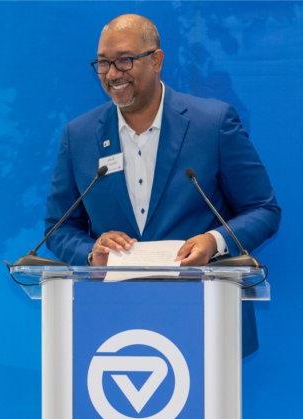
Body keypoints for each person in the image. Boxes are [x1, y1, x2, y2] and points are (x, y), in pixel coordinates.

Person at [45, 14, 281, 356]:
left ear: (156, 60)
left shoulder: (212, 124)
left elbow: (264, 209)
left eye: (125, 60)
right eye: (103, 63)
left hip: (206, 315)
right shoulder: (79, 137)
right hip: (112, 328)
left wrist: (213, 241)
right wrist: (91, 253)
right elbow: (59, 227)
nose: (112, 74)